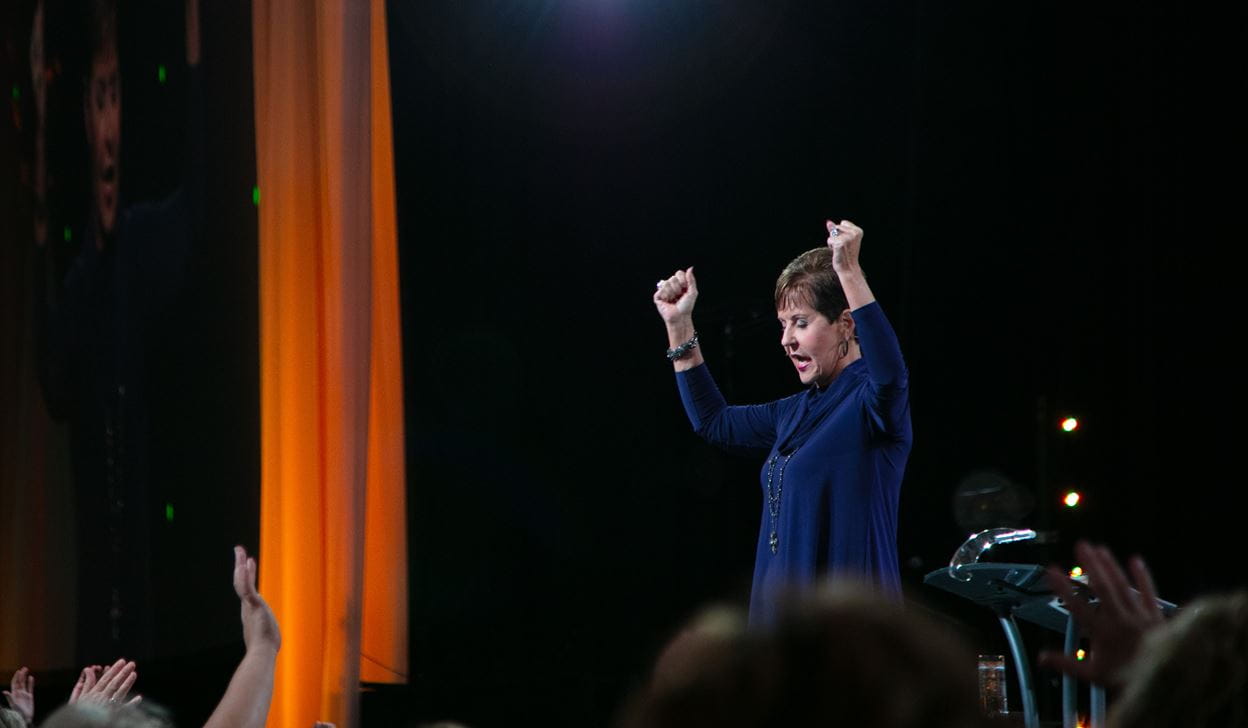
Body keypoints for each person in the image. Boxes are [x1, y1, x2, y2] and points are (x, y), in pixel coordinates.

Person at [38, 0, 204, 662]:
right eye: (100, 100)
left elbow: (198, 209)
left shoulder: (150, 238)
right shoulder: (78, 279)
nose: (110, 122)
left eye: (119, 99)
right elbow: (54, 386)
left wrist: (194, 60)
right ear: (86, 114)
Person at [653, 219, 911, 626]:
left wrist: (849, 271)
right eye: (783, 325)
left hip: (849, 638)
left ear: (846, 324)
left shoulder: (872, 404)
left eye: (801, 323)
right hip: (783, 633)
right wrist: (678, 325)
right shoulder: (793, 412)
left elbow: (890, 373)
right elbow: (713, 421)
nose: (786, 340)